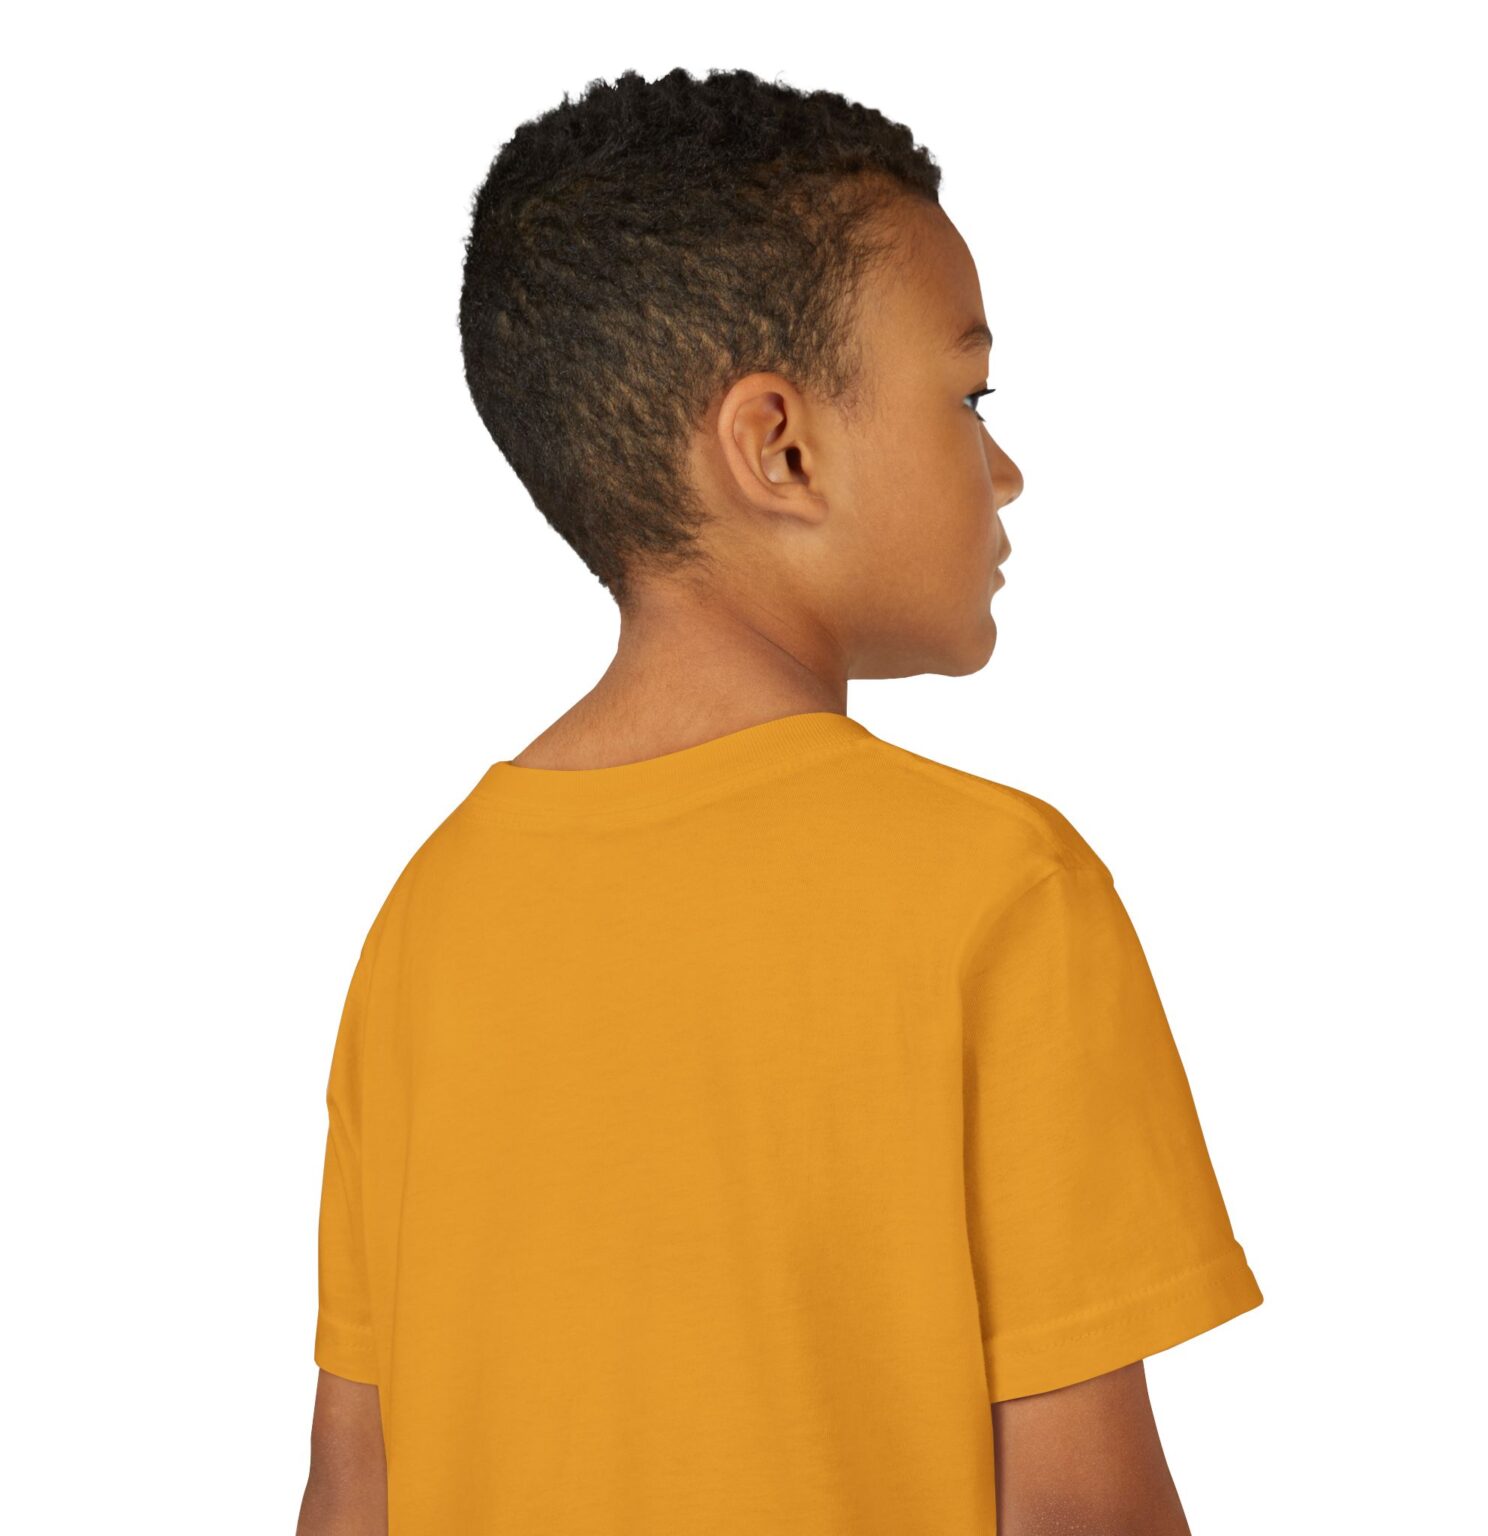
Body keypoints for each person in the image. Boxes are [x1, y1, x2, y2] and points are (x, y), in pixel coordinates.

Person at [296, 66, 1263, 1536]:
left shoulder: (428, 922)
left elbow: (350, 1492)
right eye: (970, 395)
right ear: (782, 447)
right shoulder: (1000, 892)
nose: (1006, 470)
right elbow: (1084, 1509)